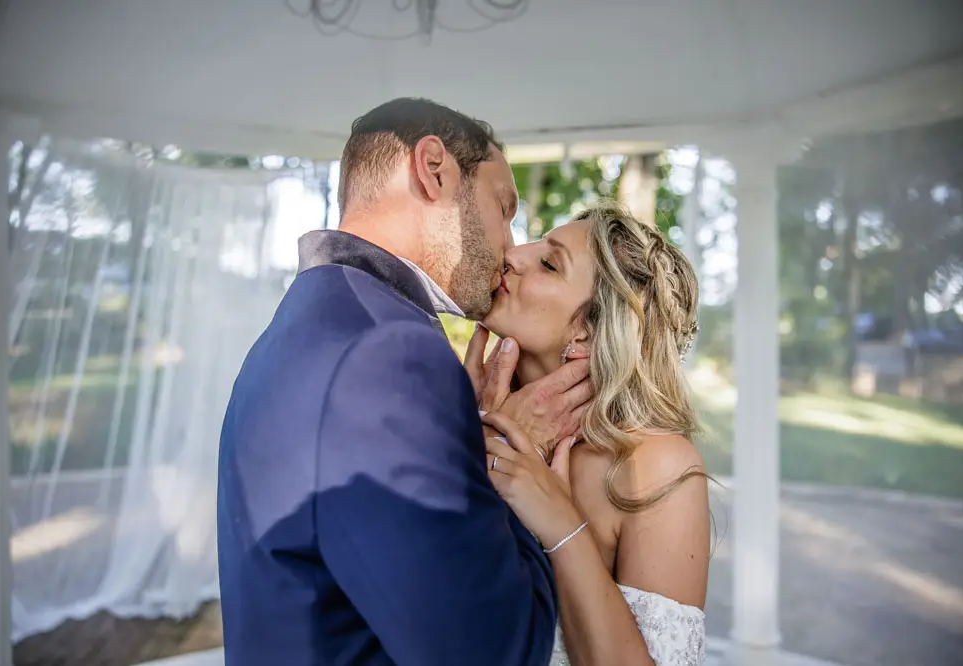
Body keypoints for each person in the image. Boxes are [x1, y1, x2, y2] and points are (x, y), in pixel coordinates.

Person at [216, 98, 591, 666]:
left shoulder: (302, 324)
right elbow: (495, 653)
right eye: (503, 206)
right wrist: (514, 455)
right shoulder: (389, 352)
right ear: (433, 168)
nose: (511, 245)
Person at [465, 203, 710, 666]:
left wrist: (562, 525)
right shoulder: (466, 416)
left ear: (589, 331)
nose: (514, 254)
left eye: (549, 263)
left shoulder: (653, 467)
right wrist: (469, 433)